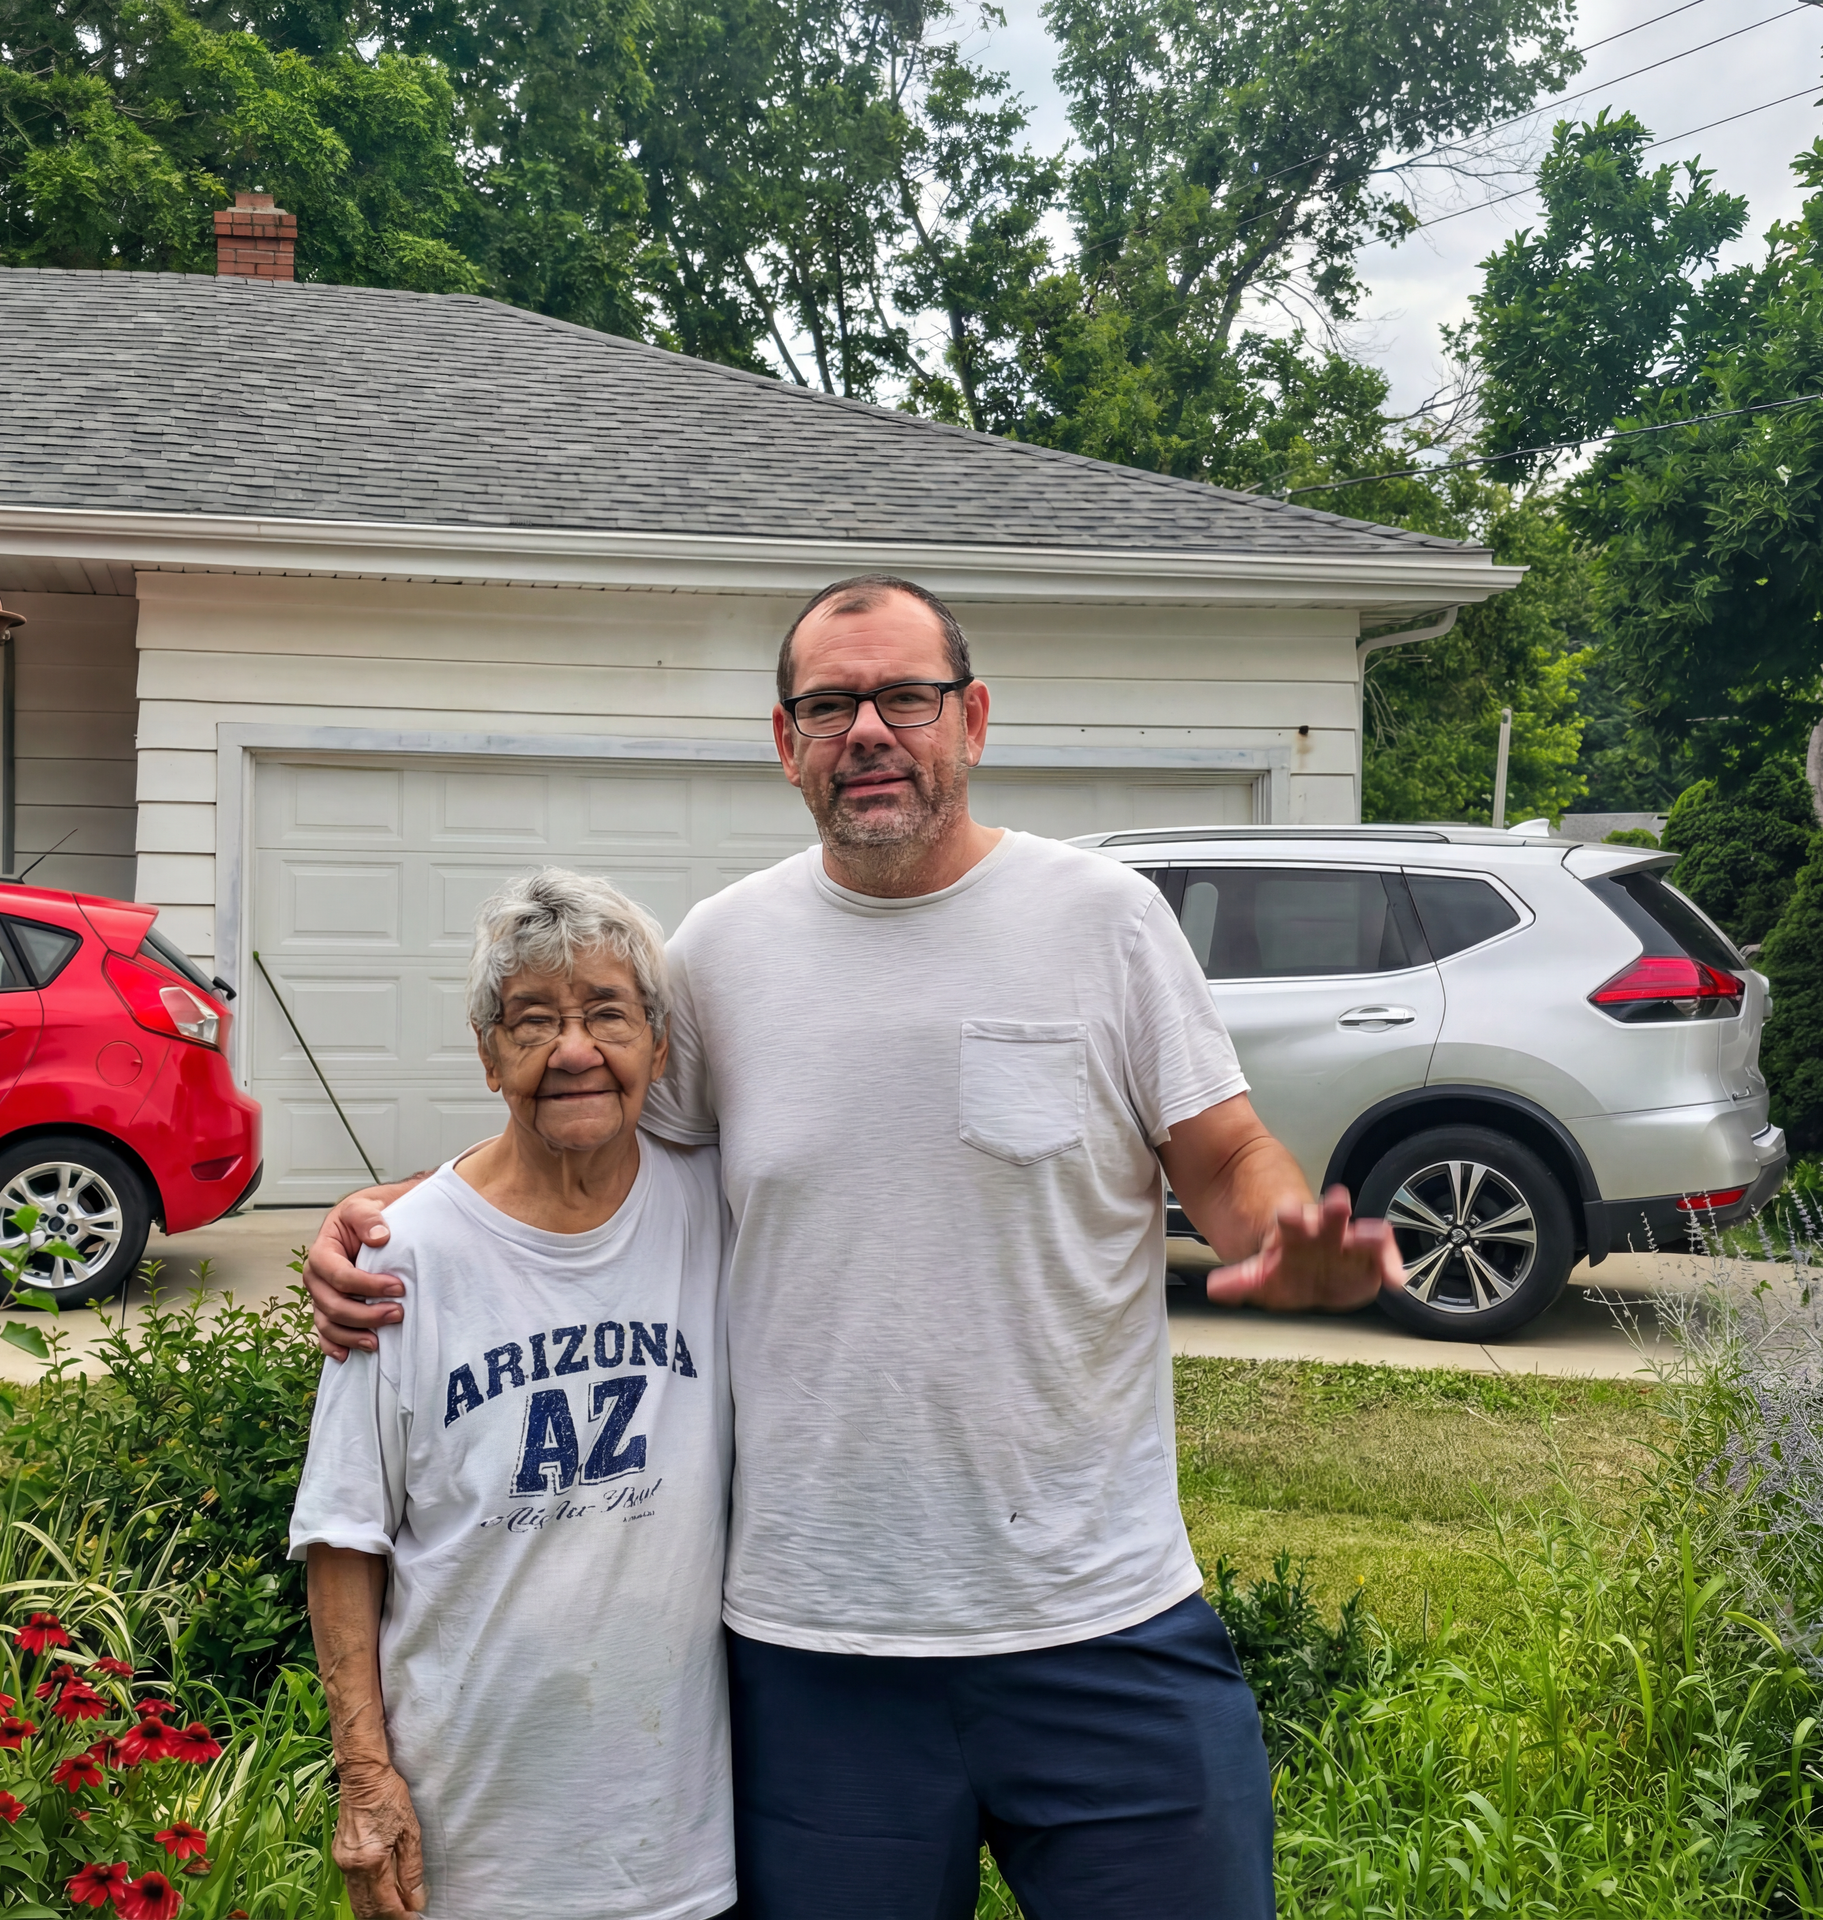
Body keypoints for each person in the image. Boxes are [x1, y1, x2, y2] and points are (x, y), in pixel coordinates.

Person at [305, 575, 1405, 1920]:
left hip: (1099, 1621)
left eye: (904, 698)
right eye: (830, 705)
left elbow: (1225, 1156)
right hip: (816, 1651)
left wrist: (1280, 1231)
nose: (868, 730)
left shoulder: (1103, 920)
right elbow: (586, 1134)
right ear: (787, 743)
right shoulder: (724, 952)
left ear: (973, 718)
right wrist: (403, 1215)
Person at [288, 870, 735, 1920]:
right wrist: (364, 1780)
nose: (574, 1050)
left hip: (676, 1848)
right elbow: (344, 1532)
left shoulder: (715, 1205)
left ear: (659, 1050)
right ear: (490, 1059)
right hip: (468, 1848)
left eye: (608, 1015)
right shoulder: (403, 1258)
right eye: (534, 1022)